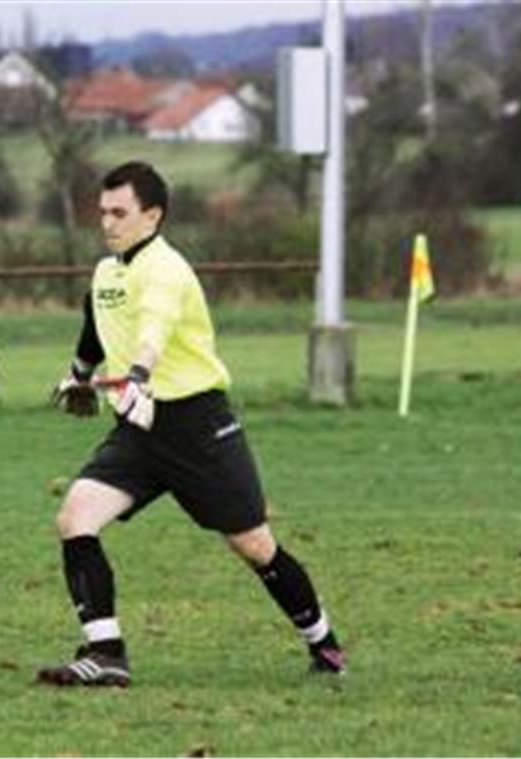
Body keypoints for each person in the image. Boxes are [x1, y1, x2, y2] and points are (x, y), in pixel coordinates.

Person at [39, 161, 345, 688]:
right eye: (103, 212)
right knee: (75, 517)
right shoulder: (106, 272)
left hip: (197, 427)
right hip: (139, 430)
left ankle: (324, 644)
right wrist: (78, 376)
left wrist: (136, 374)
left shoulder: (167, 270)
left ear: (152, 215)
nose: (107, 223)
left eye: (120, 212)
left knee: (254, 546)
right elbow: (95, 327)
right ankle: (106, 652)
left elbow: (153, 330)